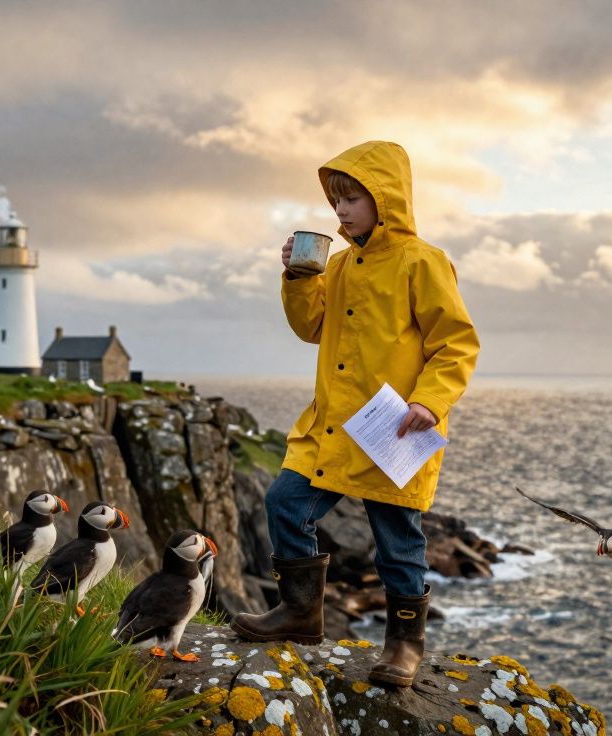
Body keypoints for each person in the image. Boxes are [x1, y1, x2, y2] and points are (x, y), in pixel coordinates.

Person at [231, 141, 479, 687]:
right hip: (334, 425)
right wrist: (300, 278)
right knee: (284, 502)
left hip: (396, 426)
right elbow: (311, 328)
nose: (340, 210)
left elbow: (456, 344)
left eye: (352, 199)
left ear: (385, 199)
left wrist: (429, 400)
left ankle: (404, 646)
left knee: (398, 542)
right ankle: (300, 613)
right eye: (336, 200)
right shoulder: (339, 264)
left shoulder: (423, 261)